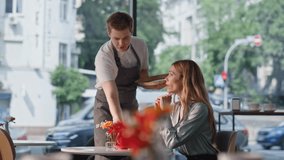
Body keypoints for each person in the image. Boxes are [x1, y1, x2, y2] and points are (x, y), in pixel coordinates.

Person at [94, 11, 166, 160]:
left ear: (131, 31)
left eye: (126, 38)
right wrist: (118, 121)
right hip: (107, 106)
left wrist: (155, 84)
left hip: (130, 103)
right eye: (116, 39)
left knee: (133, 151)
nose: (121, 43)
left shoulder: (140, 46)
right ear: (109, 33)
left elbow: (142, 77)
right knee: (107, 152)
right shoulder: (104, 56)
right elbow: (111, 93)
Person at [155, 60, 218, 160]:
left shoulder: (199, 108)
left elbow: (172, 142)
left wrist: (165, 113)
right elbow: (163, 139)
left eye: (171, 74)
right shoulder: (176, 106)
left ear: (184, 79)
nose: (166, 78)